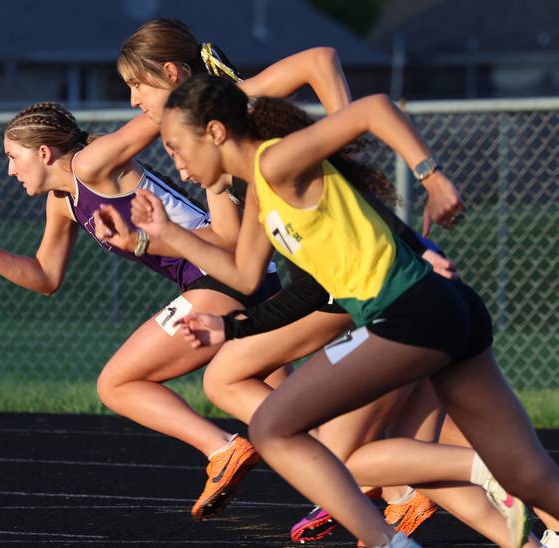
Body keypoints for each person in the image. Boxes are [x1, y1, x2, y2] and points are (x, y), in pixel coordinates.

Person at [122, 73, 559, 547]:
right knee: (526, 473)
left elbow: (373, 108)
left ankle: (387, 542)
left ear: (215, 132)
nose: (177, 165)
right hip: (447, 311)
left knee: (273, 427)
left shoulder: (276, 162)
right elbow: (245, 277)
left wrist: (430, 176)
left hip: (410, 312)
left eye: (175, 147)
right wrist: (163, 238)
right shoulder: (260, 195)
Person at [0, 23, 354, 521]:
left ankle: (223, 449)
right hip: (236, 272)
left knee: (117, 384)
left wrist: (192, 88)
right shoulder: (62, 203)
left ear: (44, 152)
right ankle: (379, 485)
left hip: (221, 274)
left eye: (12, 157)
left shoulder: (93, 162)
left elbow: (156, 119)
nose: (9, 171)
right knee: (277, 404)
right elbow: (46, 276)